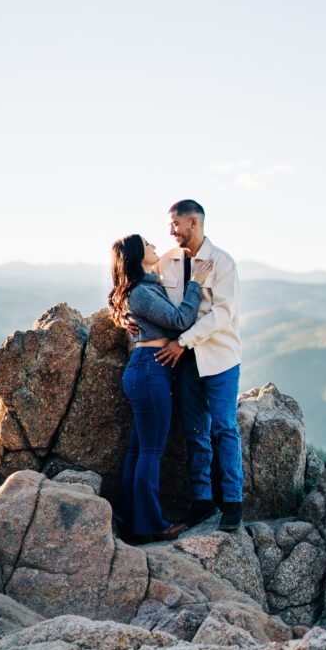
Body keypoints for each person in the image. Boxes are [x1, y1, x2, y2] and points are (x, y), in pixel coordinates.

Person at [108, 233, 213, 543]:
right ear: (138, 254)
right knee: (150, 452)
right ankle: (151, 526)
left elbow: (119, 294)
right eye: (148, 244)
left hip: (145, 371)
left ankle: (133, 521)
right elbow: (180, 320)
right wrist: (195, 283)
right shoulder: (140, 293)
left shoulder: (140, 289)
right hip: (150, 371)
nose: (154, 246)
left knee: (138, 451)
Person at [155, 199, 243, 532]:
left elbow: (223, 314)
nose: (171, 231)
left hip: (220, 358)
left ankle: (233, 502)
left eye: (175, 224)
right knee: (194, 432)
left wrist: (183, 341)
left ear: (193, 222)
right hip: (186, 361)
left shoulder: (223, 262)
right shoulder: (167, 263)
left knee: (224, 427)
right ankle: (202, 502)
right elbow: (153, 297)